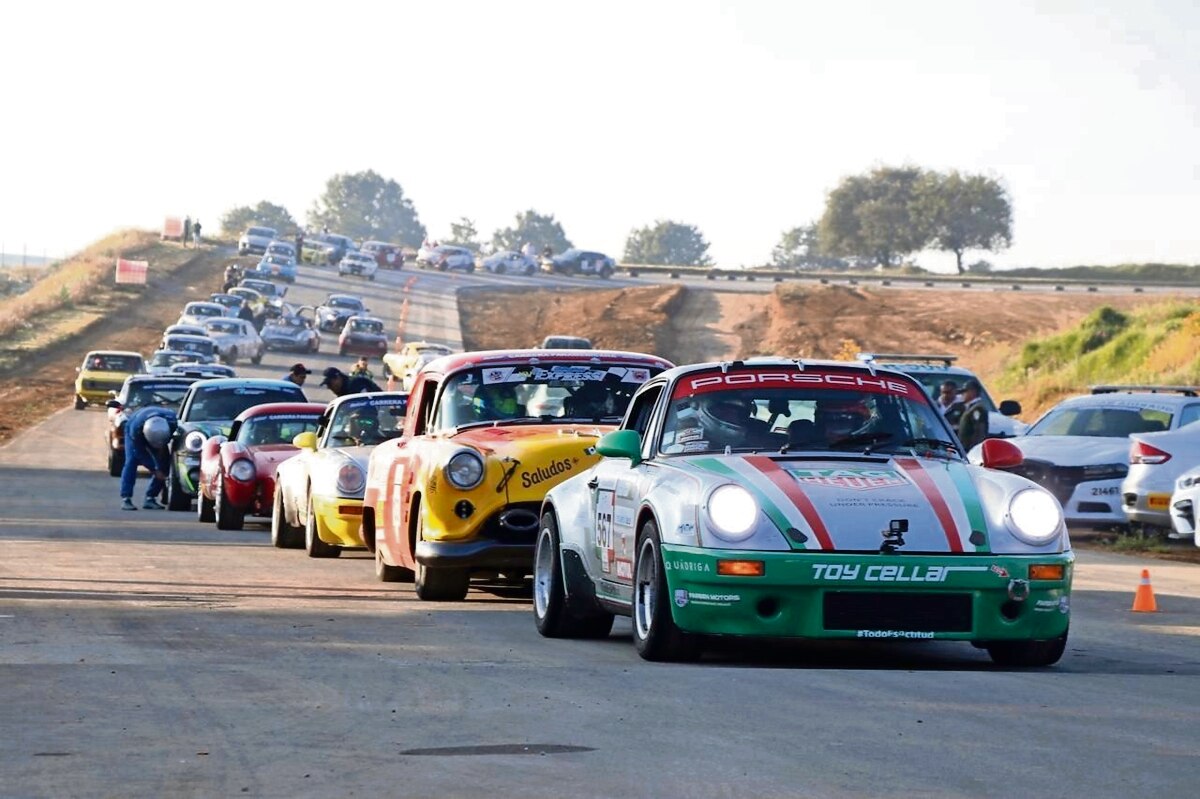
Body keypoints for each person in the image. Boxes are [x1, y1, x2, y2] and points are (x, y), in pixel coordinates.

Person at [120, 406, 178, 510]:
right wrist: (154, 470)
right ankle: (126, 498)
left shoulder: (172, 421)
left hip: (161, 436)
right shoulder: (135, 429)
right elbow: (139, 453)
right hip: (134, 429)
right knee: (131, 462)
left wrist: (162, 450)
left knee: (165, 463)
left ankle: (150, 497)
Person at [958, 379, 989, 452]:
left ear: (973, 392)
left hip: (970, 450)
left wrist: (974, 450)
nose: (962, 395)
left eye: (964, 392)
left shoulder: (977, 409)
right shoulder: (969, 407)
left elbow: (979, 432)